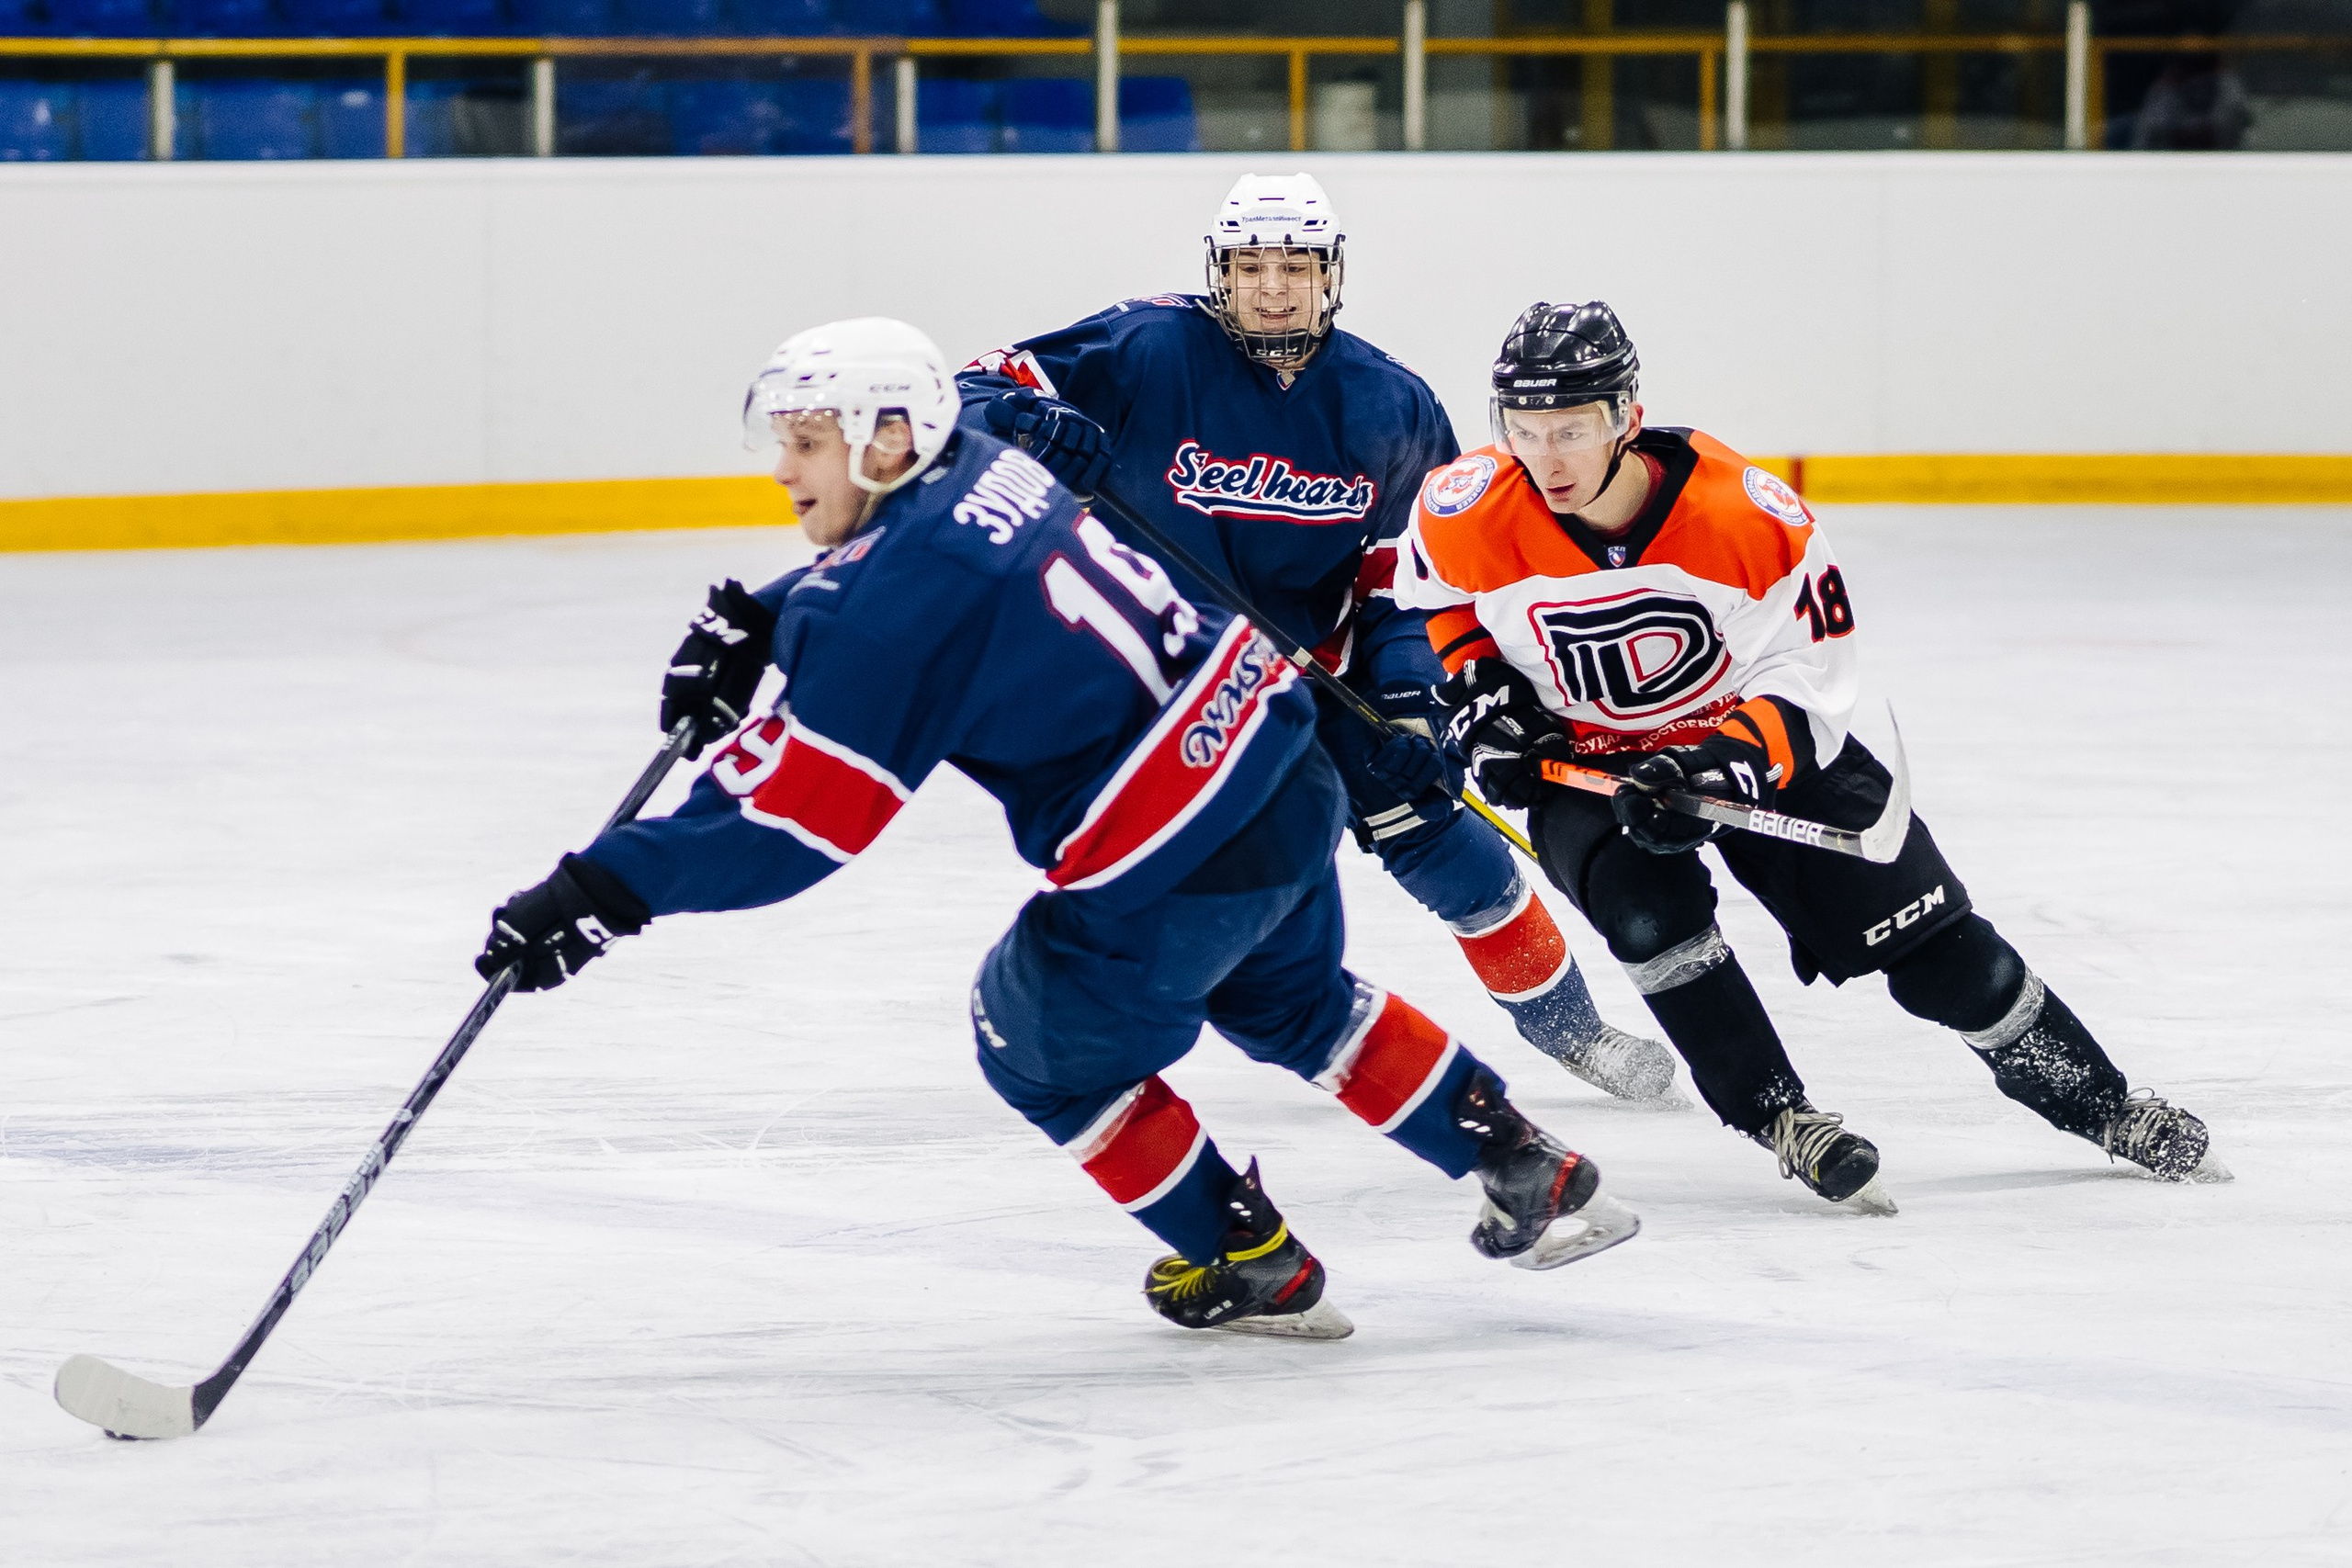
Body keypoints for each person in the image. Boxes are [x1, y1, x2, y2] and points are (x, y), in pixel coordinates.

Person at [478, 318, 1639, 1338]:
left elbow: (787, 829)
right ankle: (1522, 1163)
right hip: (1279, 764)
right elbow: (920, 566)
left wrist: (599, 890)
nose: (783, 469)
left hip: (1172, 849)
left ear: (890, 437)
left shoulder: (880, 615)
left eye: (808, 441)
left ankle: (1250, 1260)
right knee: (1291, 1000)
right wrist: (765, 624)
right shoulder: (985, 464)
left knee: (1032, 1048)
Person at [1394, 300, 2216, 1208]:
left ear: (1626, 416)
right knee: (1651, 921)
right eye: (1523, 429)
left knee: (1942, 955)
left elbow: (1810, 676)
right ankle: (1780, 1115)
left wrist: (1720, 766)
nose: (1544, 459)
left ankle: (2099, 1102)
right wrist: (1485, 698)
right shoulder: (1465, 507)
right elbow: (1443, 602)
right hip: (1590, 764)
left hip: (1748, 746)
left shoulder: (1743, 514)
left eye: (1571, 430)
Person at [953, 173, 1673, 1105]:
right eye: (1252, 266)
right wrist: (1026, 422)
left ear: (1331, 272)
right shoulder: (1144, 348)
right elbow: (967, 395)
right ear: (1220, 271)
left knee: (1454, 851)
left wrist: (1412, 709)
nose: (1273, 288)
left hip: (1316, 677)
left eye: (1294, 266)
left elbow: (1411, 587)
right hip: (1156, 692)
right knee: (1159, 876)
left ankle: (1572, 1032)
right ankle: (1096, 1048)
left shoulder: (1391, 404)